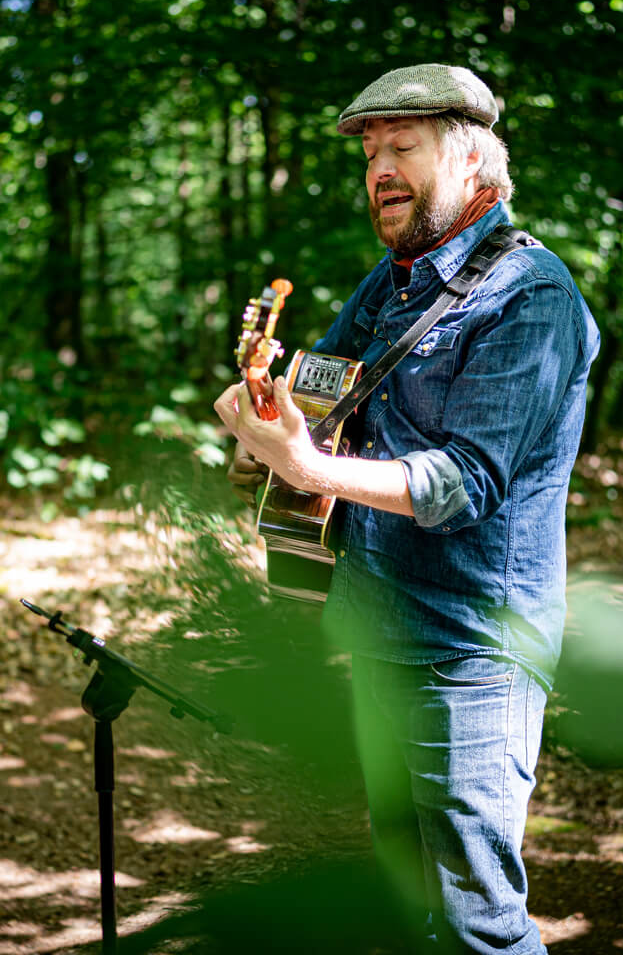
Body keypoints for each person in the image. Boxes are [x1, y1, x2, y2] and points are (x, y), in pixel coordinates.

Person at [214, 63, 599, 954]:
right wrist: (260, 430)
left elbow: (464, 482)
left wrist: (309, 467)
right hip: (380, 630)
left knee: (478, 923)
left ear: (471, 163)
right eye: (370, 152)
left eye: (403, 147)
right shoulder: (388, 286)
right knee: (405, 902)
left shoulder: (533, 297)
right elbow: (310, 409)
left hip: (473, 655)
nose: (378, 168)